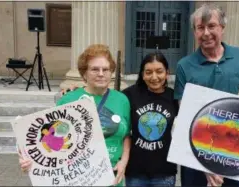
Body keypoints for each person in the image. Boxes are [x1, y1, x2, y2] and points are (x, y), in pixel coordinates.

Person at [173, 3, 239, 187]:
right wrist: (206, 164)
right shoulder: (184, 65)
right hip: (198, 156)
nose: (206, 33)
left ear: (223, 28)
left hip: (236, 152)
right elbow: (187, 117)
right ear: (194, 32)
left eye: (211, 26)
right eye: (200, 27)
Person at [18, 44, 131, 186]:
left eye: (106, 69)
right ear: (84, 73)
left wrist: (123, 162)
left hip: (113, 178)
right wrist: (30, 161)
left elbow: (126, 135)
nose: (101, 73)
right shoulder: (68, 100)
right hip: (79, 178)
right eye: (95, 69)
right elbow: (51, 136)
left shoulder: (122, 100)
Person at [122, 52, 178, 186]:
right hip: (135, 172)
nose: (154, 77)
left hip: (165, 172)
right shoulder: (129, 95)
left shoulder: (174, 97)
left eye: (159, 71)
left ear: (167, 73)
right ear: (142, 74)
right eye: (148, 72)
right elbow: (108, 101)